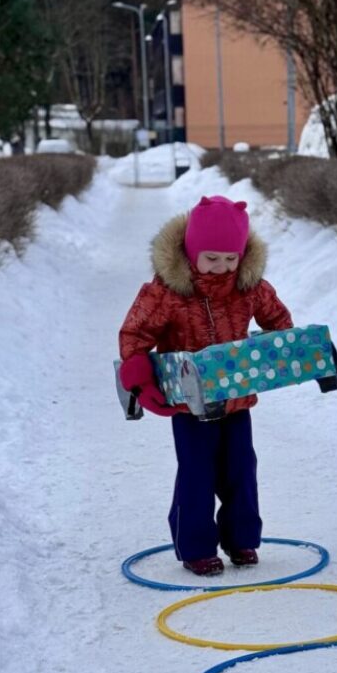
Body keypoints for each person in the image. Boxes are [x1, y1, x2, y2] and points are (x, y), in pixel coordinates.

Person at [118, 195, 293, 576]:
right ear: (191, 251)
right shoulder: (167, 291)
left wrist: (280, 348)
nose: (221, 267)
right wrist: (139, 374)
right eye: (211, 258)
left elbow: (279, 321)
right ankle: (195, 547)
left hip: (237, 400)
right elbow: (135, 334)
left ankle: (242, 539)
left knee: (241, 469)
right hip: (189, 405)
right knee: (197, 473)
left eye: (231, 259)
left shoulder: (250, 286)